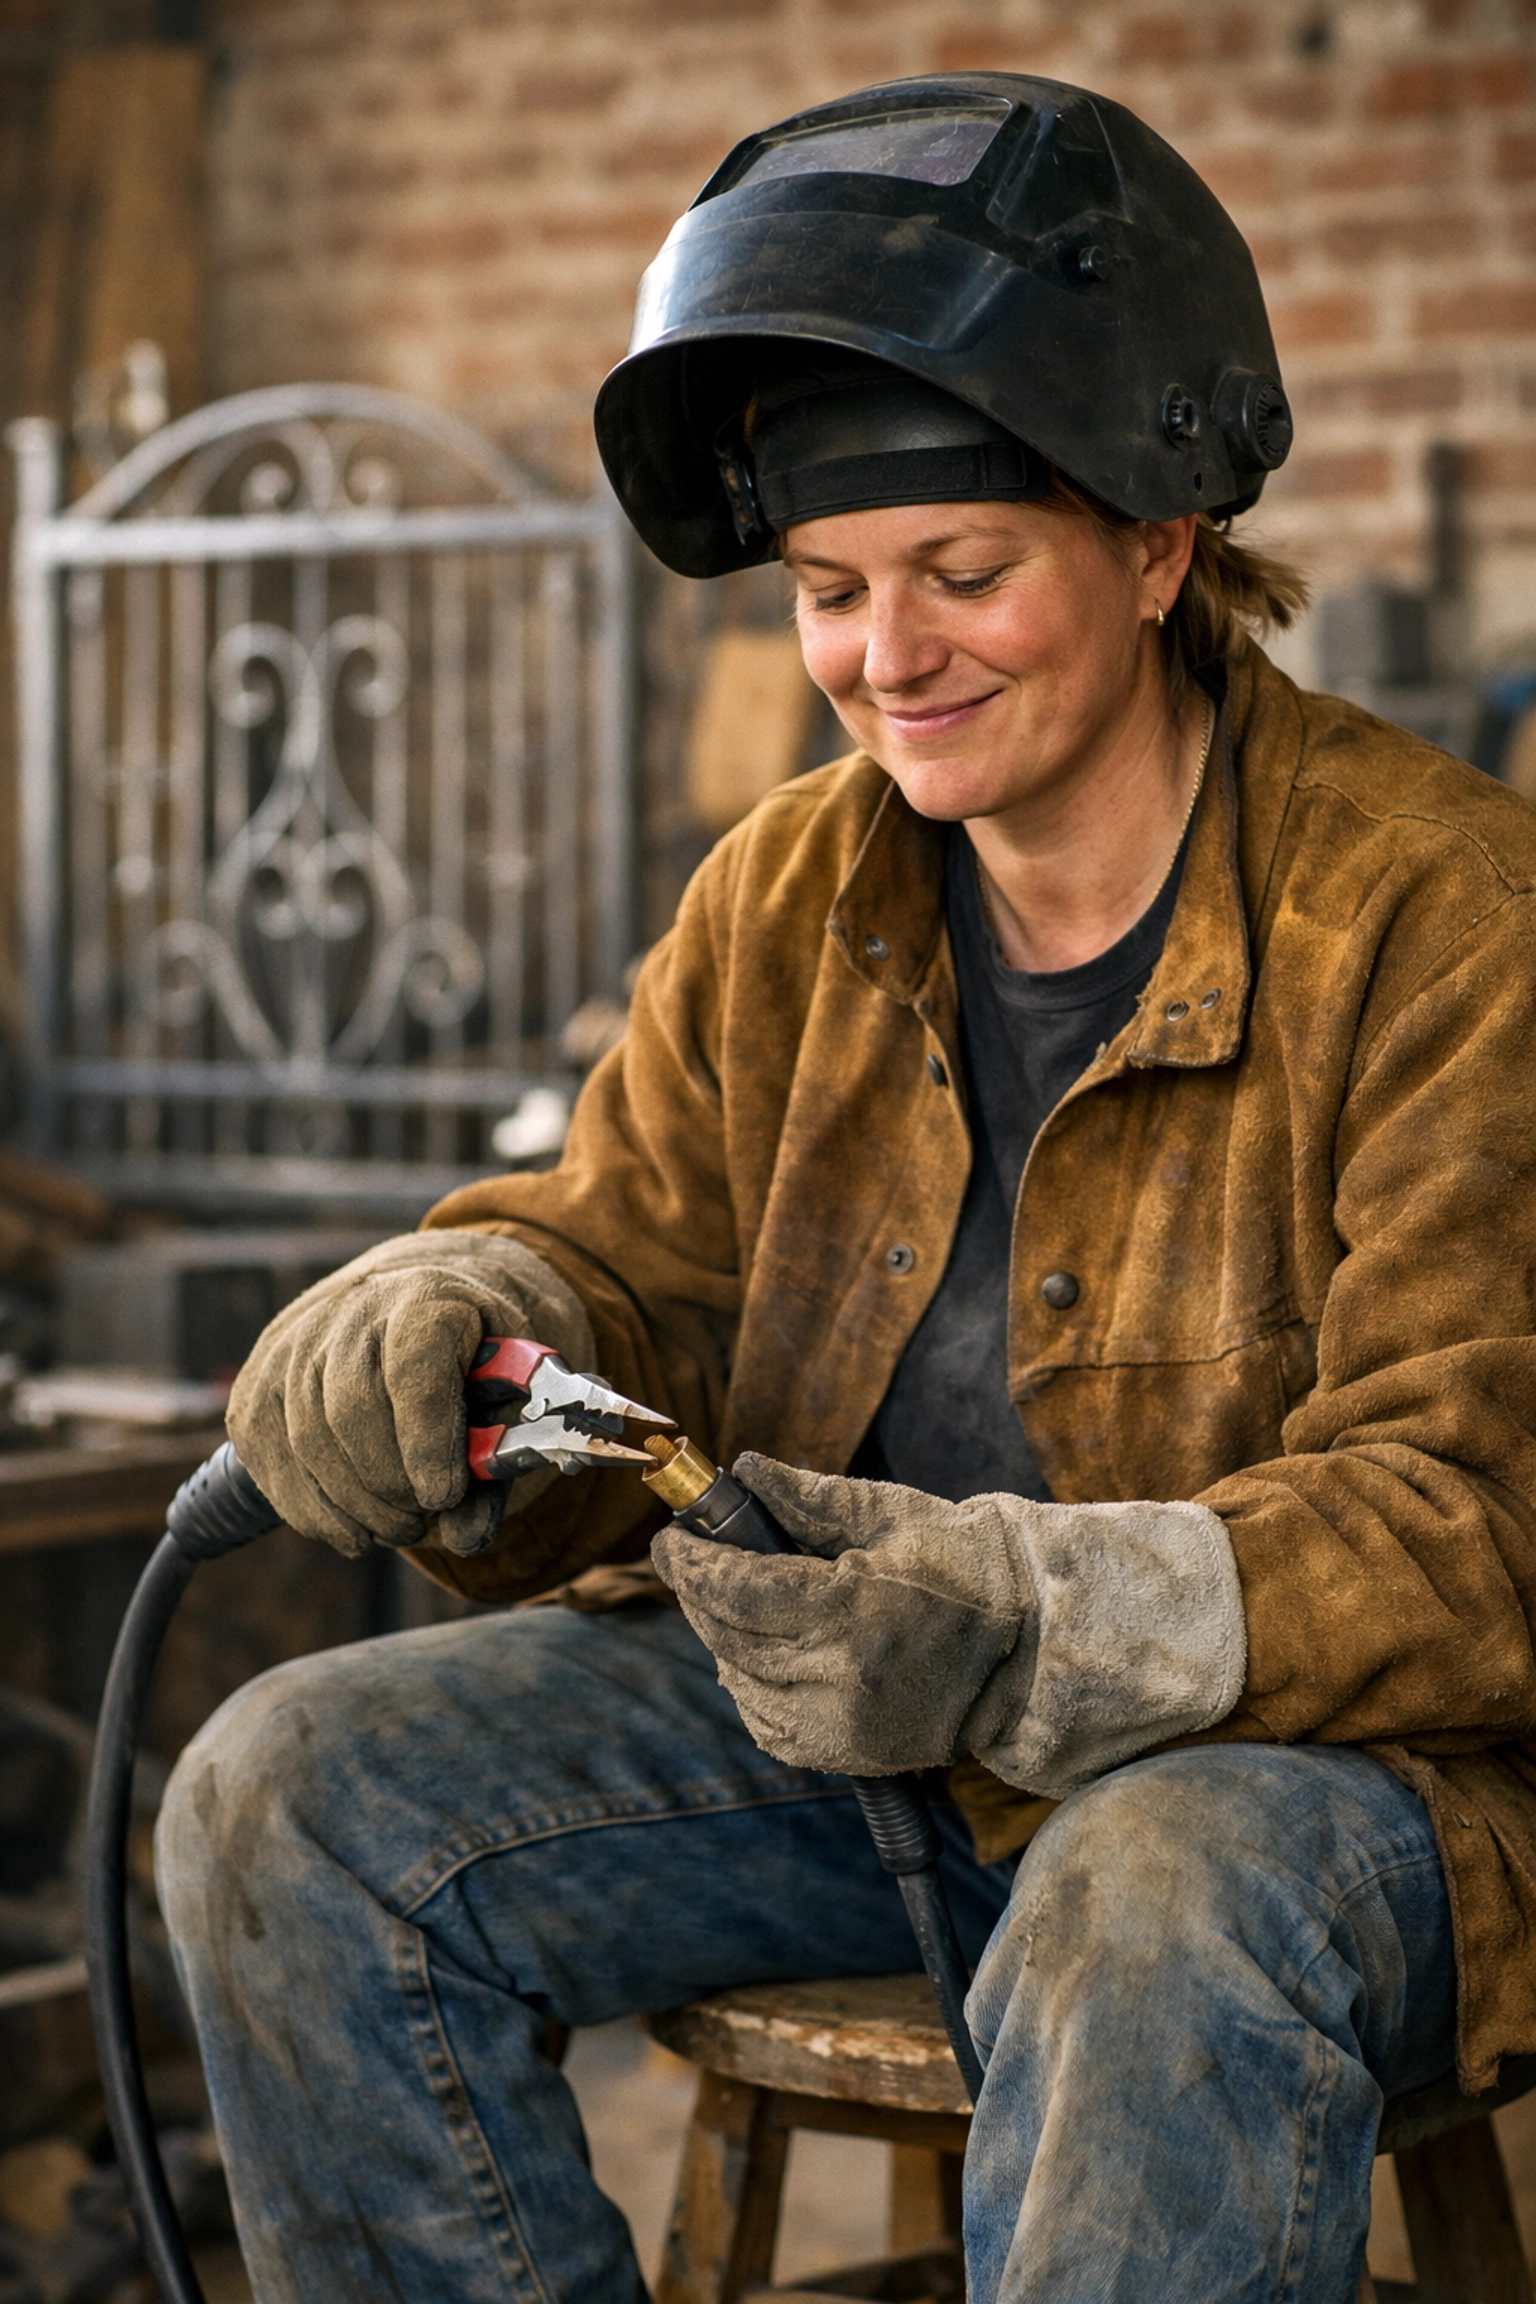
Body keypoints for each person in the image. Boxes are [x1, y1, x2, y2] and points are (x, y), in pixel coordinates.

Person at [157, 72, 1536, 2304]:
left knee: (1153, 1884)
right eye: (828, 591)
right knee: (286, 1792)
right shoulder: (795, 888)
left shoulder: (1449, 918)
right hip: (846, 1752)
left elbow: (1488, 1517)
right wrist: (478, 1307)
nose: (889, 661)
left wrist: (1039, 1610)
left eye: (964, 573)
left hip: (1318, 1794)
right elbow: (630, 1267)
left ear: (1160, 545)